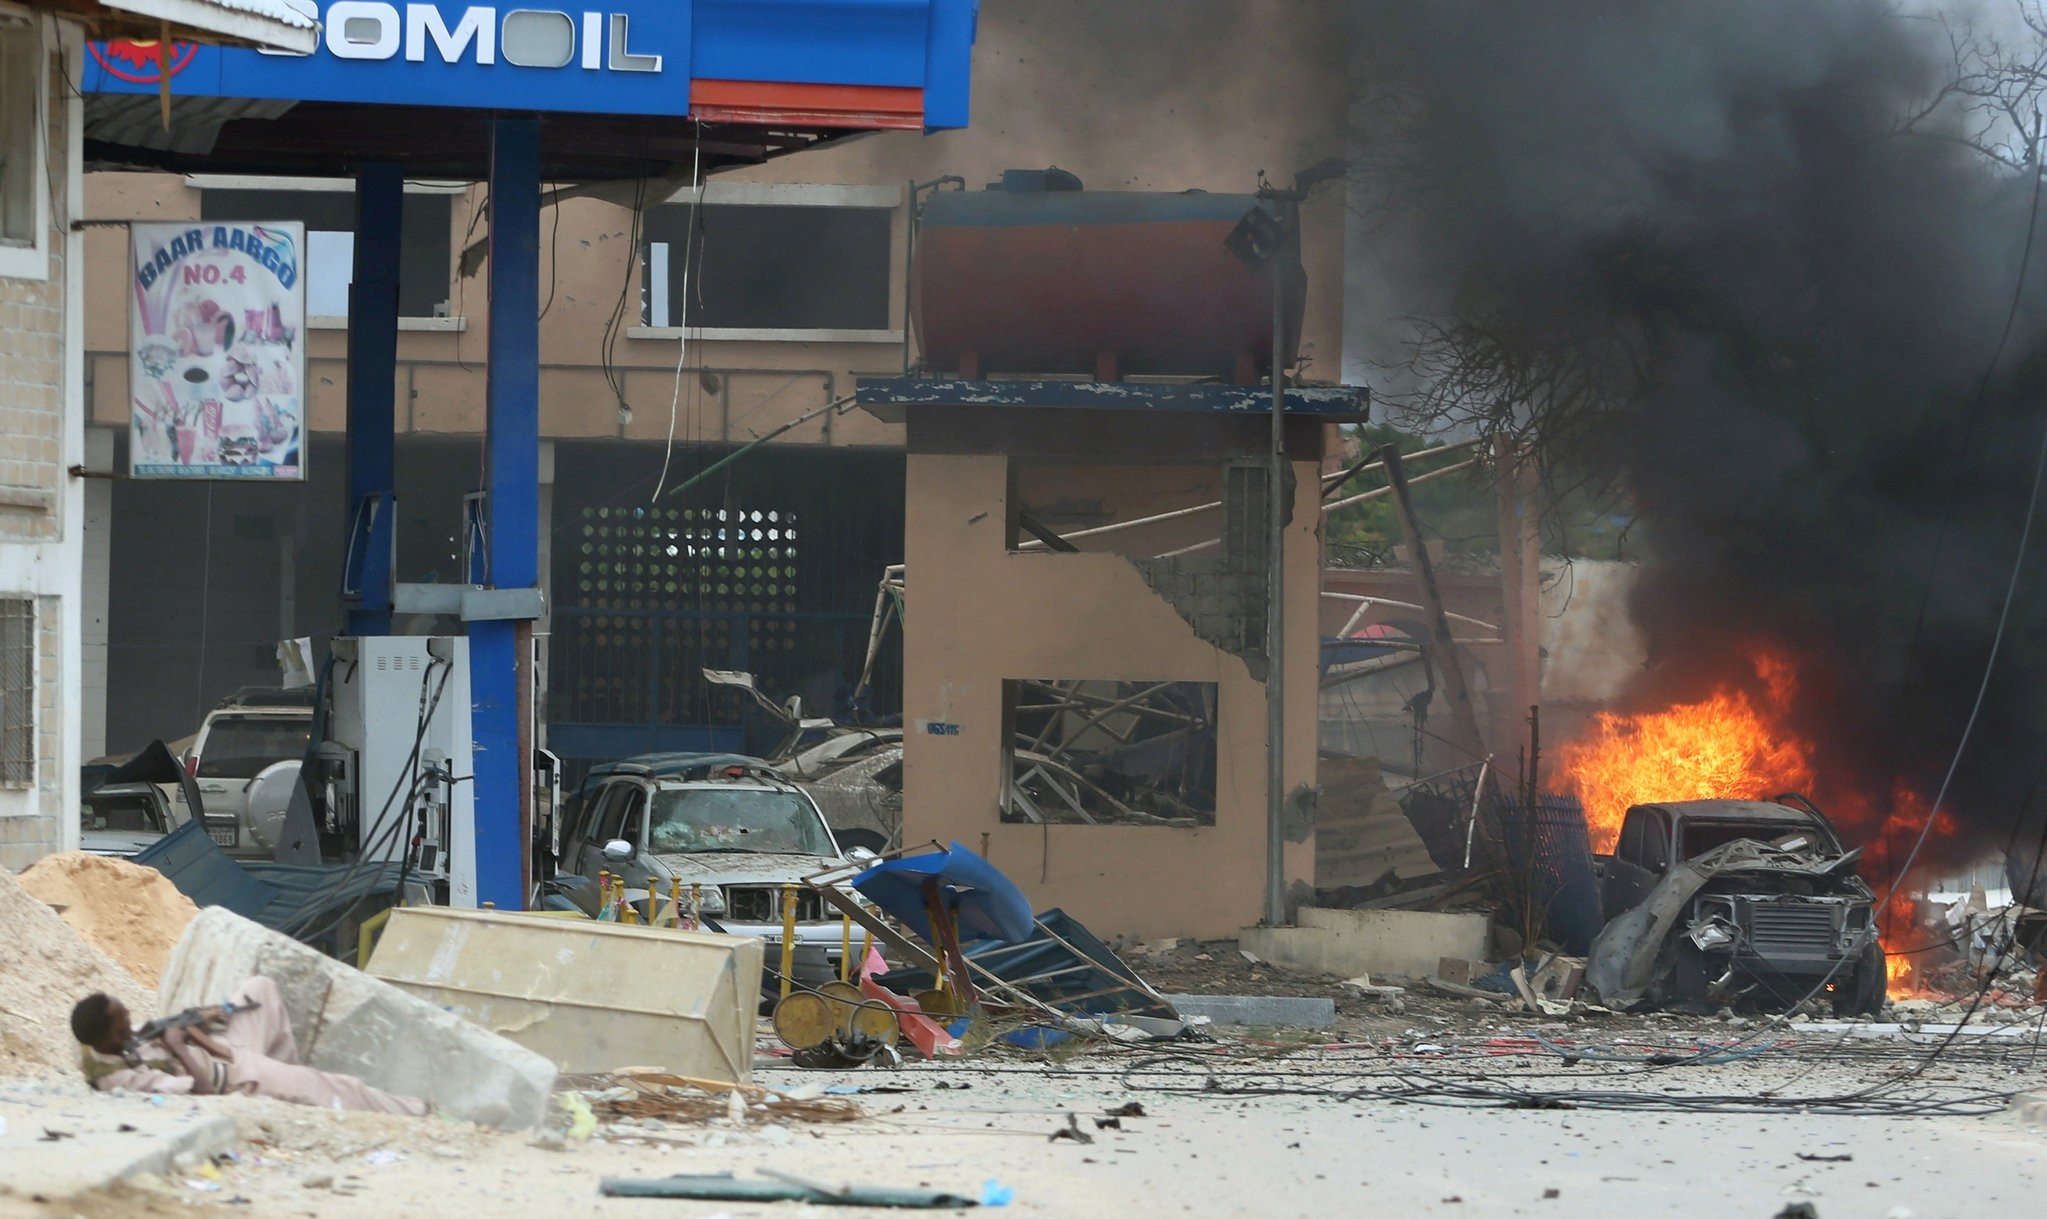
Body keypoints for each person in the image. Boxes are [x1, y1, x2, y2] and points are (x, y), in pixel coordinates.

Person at [70, 976, 427, 1117]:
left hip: (223, 1048)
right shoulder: (123, 1080)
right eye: (123, 1022)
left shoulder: (96, 1041)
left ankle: (285, 1088)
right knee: (338, 1087)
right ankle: (418, 1110)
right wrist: (179, 1047)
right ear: (111, 1038)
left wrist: (197, 1022)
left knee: (260, 989)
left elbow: (145, 1030)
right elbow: (203, 1091)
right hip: (232, 1075)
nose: (129, 1020)